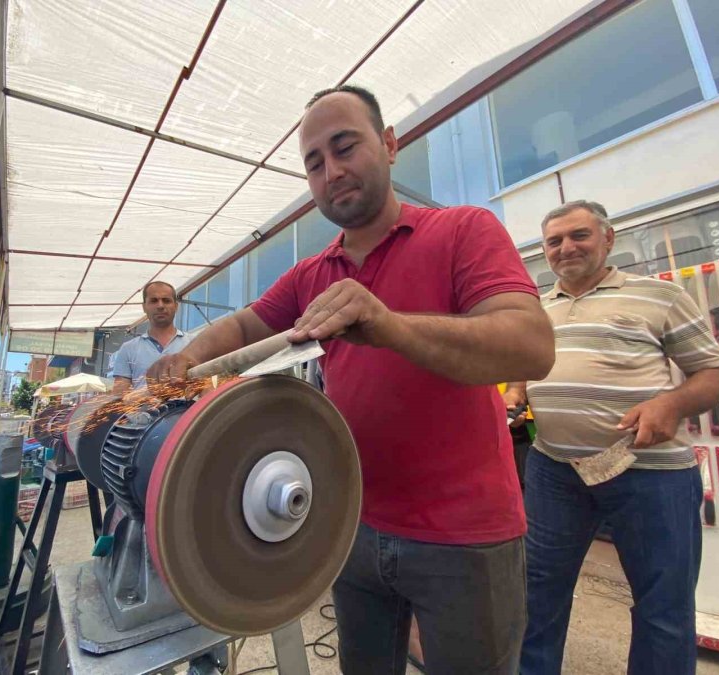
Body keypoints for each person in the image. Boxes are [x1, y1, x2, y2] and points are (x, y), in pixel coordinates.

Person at [149, 84, 555, 674]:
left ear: (389, 145)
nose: (331, 171)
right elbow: (243, 326)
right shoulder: (311, 274)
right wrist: (186, 357)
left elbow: (532, 345)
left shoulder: (463, 230)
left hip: (465, 537)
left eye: (344, 147)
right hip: (351, 528)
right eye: (314, 163)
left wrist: (390, 325)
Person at [504, 200, 719, 675]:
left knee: (663, 605)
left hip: (649, 472)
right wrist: (518, 391)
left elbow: (716, 374)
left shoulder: (659, 296)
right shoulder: (537, 309)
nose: (566, 248)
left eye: (579, 235)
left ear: (608, 239)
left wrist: (670, 405)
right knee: (536, 591)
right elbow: (525, 364)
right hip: (555, 470)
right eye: (554, 241)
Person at [111, 281, 190, 394]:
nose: (160, 306)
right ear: (144, 307)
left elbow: (207, 386)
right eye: (154, 301)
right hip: (143, 405)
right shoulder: (128, 349)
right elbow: (120, 394)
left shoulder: (193, 343)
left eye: (166, 300)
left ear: (176, 306)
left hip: (189, 405)